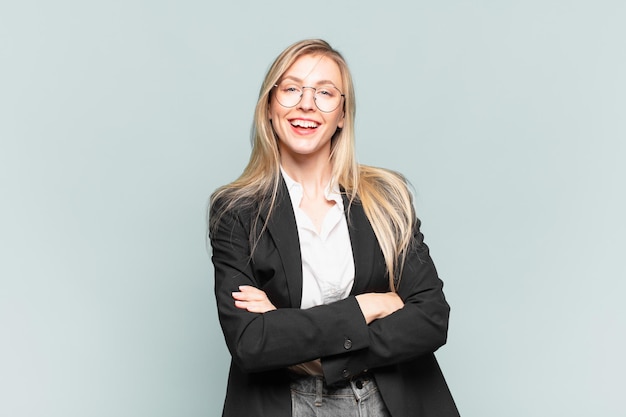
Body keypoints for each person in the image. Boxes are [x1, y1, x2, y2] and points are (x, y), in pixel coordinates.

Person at [208, 39, 459, 417]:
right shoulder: (236, 211)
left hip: (389, 400)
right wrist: (368, 305)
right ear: (270, 105)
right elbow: (251, 342)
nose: (306, 104)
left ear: (342, 113)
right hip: (289, 404)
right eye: (291, 89)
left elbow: (430, 319)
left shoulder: (387, 198)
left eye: (325, 92)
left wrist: (288, 328)